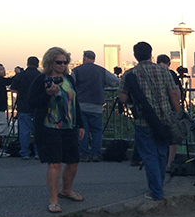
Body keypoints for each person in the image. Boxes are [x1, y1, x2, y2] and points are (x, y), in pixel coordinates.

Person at [118, 42, 180, 201]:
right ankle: (158, 186)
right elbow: (173, 93)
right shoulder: (164, 71)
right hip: (164, 120)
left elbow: (123, 98)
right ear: (151, 54)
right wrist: (177, 113)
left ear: (135, 55)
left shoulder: (130, 74)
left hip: (143, 121)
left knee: (149, 156)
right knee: (161, 154)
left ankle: (156, 191)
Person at [30, 47, 85, 213]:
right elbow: (32, 103)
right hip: (48, 127)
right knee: (54, 163)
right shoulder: (41, 80)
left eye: (65, 62)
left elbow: (75, 103)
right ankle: (53, 199)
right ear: (50, 62)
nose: (62, 65)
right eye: (59, 62)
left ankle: (66, 190)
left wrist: (80, 124)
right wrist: (47, 94)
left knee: (73, 161)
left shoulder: (69, 79)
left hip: (69, 126)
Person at [71, 50, 120, 162]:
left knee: (82, 130)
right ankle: (96, 154)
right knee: (97, 131)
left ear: (84, 58)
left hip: (81, 105)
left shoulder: (76, 71)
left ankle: (84, 154)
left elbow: (70, 85)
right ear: (94, 58)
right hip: (96, 105)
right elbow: (117, 82)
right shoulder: (101, 70)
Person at [155, 54, 183, 172]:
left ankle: (156, 162)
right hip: (170, 109)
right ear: (168, 63)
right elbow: (177, 92)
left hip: (154, 109)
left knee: (156, 135)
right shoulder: (170, 74)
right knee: (173, 136)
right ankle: (169, 163)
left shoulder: (152, 73)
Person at [11, 56, 42, 159]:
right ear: (37, 64)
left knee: (24, 130)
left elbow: (13, 90)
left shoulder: (20, 76)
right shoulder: (40, 76)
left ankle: (24, 152)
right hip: (38, 105)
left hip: (23, 105)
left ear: (27, 63)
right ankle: (38, 152)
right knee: (38, 129)